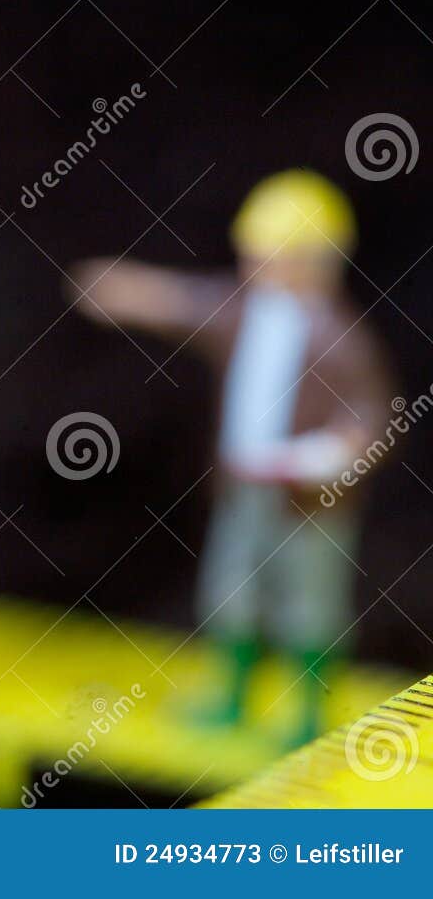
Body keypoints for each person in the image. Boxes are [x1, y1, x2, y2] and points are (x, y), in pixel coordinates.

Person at [68, 170, 394, 744]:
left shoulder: (342, 338)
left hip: (309, 502)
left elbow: (373, 419)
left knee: (310, 604)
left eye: (274, 258)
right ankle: (233, 697)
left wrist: (331, 454)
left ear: (318, 261)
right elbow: (187, 304)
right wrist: (133, 291)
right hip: (243, 487)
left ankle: (310, 717)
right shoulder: (244, 312)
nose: (257, 269)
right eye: (255, 256)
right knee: (232, 591)